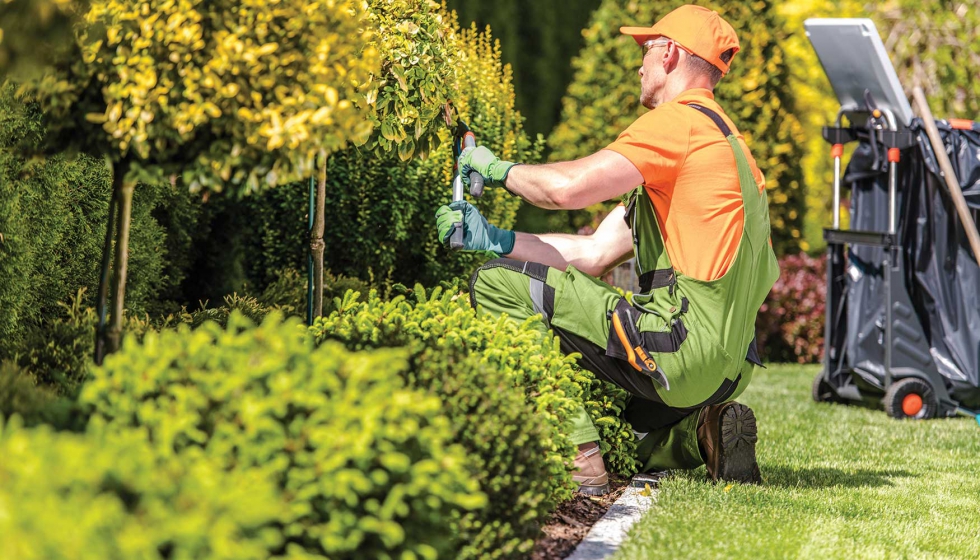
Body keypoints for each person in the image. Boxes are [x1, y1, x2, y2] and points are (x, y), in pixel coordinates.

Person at [435, 4, 779, 494]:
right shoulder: (728, 148)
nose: (639, 63)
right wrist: (495, 239)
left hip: (679, 348)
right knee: (614, 414)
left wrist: (496, 169)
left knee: (494, 284)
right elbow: (594, 253)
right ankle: (699, 434)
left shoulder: (678, 124)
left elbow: (565, 190)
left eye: (647, 49)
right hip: (726, 369)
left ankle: (578, 460)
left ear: (672, 55)